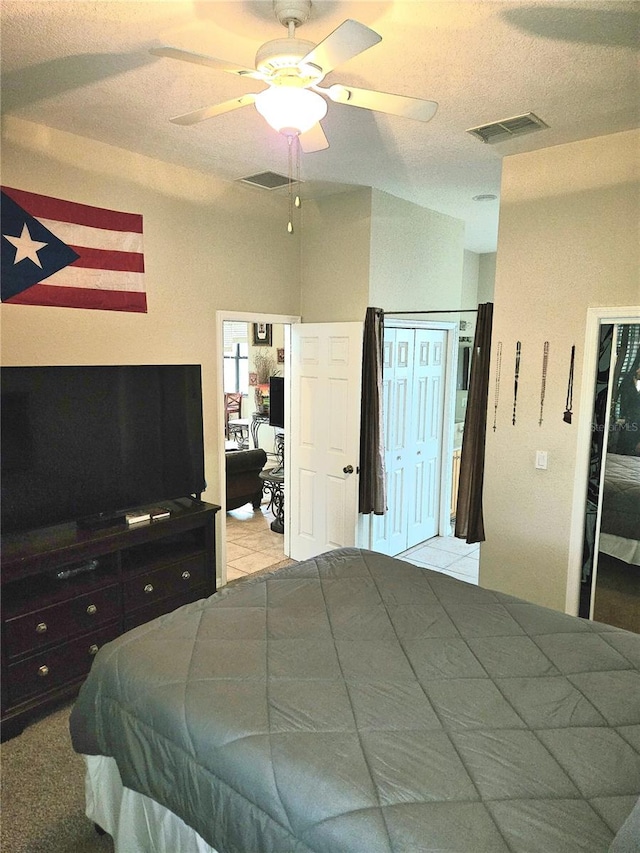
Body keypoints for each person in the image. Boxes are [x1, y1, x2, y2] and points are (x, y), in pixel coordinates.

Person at [618, 366, 640, 454]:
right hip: (629, 421)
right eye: (637, 368)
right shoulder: (627, 383)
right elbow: (622, 402)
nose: (638, 370)